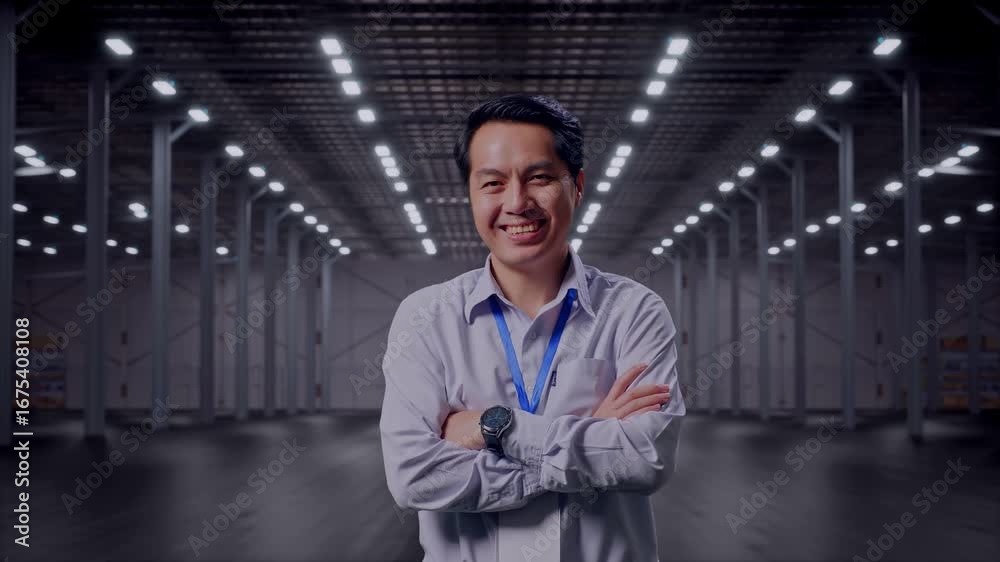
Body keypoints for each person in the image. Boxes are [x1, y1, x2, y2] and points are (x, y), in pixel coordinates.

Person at [379, 94, 685, 562]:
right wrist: (586, 441)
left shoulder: (634, 311)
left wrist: (496, 428)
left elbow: (646, 458)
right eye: (493, 183)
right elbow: (413, 475)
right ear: (471, 195)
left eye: (539, 178)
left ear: (577, 185)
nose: (517, 202)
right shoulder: (426, 318)